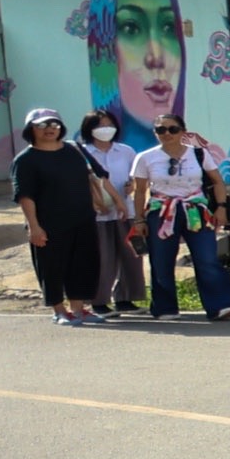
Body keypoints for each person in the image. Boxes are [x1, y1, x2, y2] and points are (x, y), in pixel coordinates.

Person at [128, 112, 230, 321]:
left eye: (173, 129)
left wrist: (221, 207)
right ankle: (165, 308)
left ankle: (220, 305)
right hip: (162, 212)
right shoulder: (145, 158)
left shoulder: (199, 154)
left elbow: (217, 181)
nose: (167, 134)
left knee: (206, 258)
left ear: (183, 132)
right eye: (161, 130)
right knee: (161, 261)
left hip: (195, 210)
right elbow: (140, 191)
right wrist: (139, 219)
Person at [9, 110, 108, 328]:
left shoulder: (73, 151)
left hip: (82, 218)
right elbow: (25, 195)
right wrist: (34, 226)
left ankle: (79, 308)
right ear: (31, 129)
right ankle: (59, 310)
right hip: (49, 223)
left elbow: (91, 179)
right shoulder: (25, 160)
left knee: (83, 264)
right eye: (42, 125)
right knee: (52, 267)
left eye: (54, 124)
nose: (50, 129)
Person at [82, 114, 145, 317]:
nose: (106, 129)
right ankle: (98, 302)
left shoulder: (126, 151)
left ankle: (125, 299)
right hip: (97, 214)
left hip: (126, 211)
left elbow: (136, 177)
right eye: (100, 125)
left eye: (110, 125)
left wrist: (131, 185)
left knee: (131, 256)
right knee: (103, 258)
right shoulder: (83, 152)